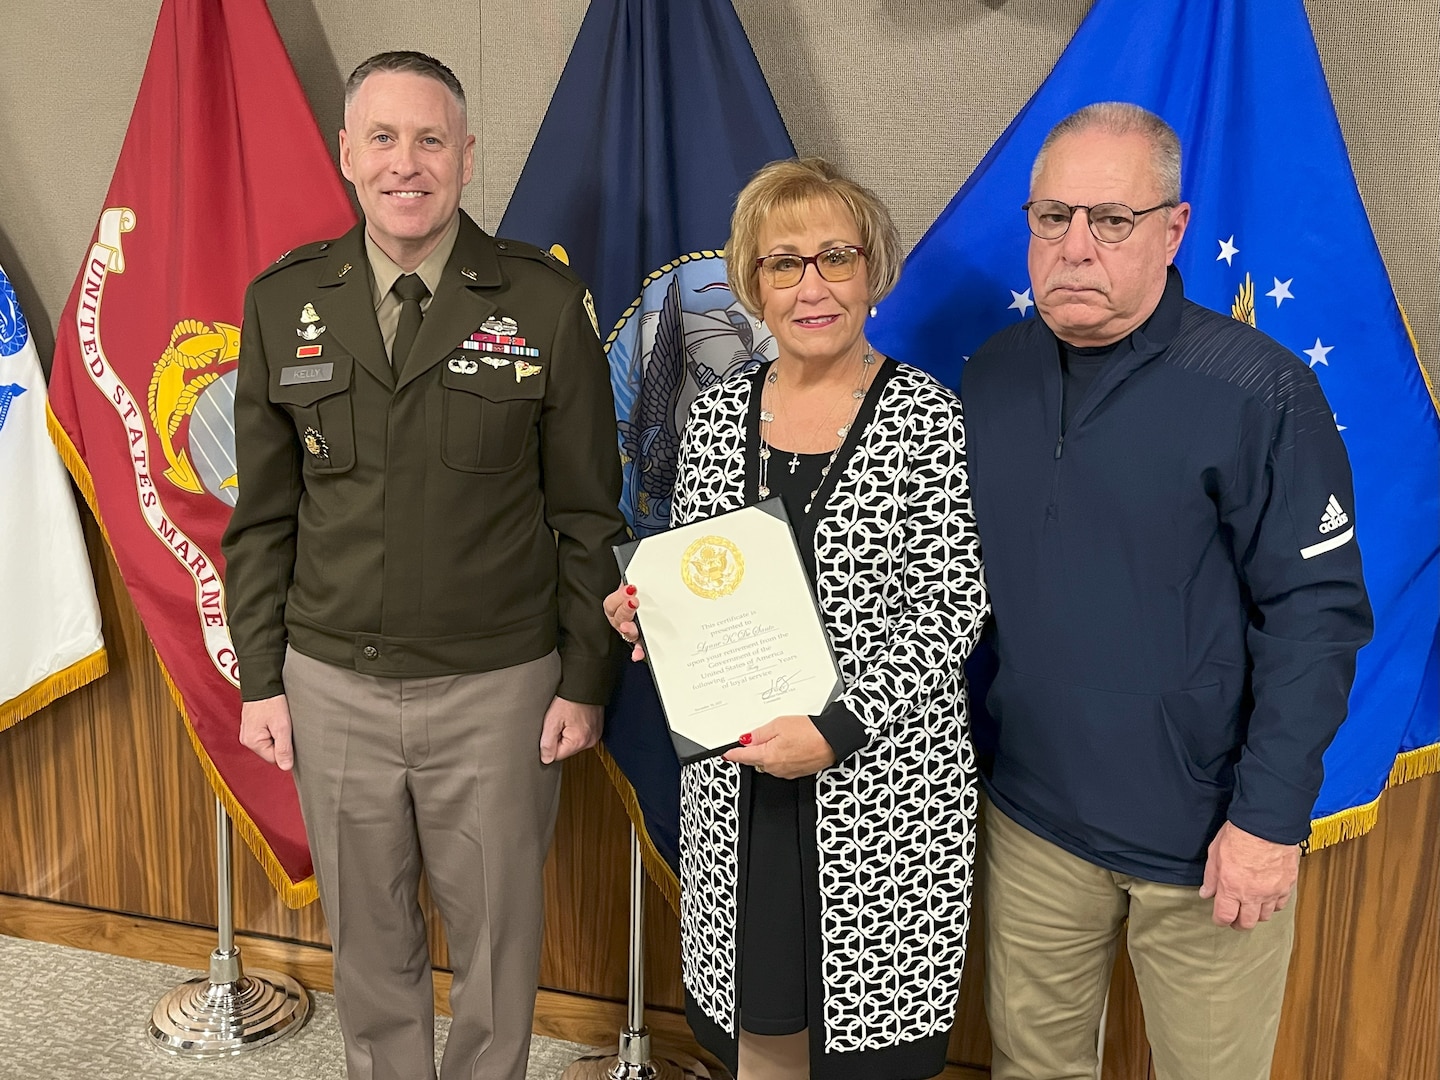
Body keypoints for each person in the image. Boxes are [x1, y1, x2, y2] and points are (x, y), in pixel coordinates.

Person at [221, 51, 622, 1080]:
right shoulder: (283, 302)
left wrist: (586, 680)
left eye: (432, 139)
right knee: (368, 943)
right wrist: (261, 678)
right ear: (347, 153)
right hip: (331, 682)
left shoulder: (539, 302)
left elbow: (587, 514)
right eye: (385, 139)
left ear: (466, 156)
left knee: (498, 947)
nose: (409, 164)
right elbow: (262, 518)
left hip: (498, 687)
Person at [961, 102, 1374, 1080]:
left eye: (1111, 220)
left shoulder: (1260, 392)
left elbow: (1317, 618)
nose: (1073, 248)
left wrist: (1269, 822)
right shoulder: (993, 373)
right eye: (1051, 217)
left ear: (1173, 229)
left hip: (1207, 836)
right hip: (1033, 818)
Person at [604, 158, 988, 1080]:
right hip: (740, 791)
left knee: (868, 1055)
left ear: (873, 271)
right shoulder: (717, 414)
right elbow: (698, 570)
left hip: (881, 794)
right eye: (784, 264)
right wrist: (649, 613)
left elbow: (951, 607)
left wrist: (835, 728)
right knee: (758, 1031)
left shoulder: (926, 418)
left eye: (834, 258)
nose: (811, 287)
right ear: (752, 284)